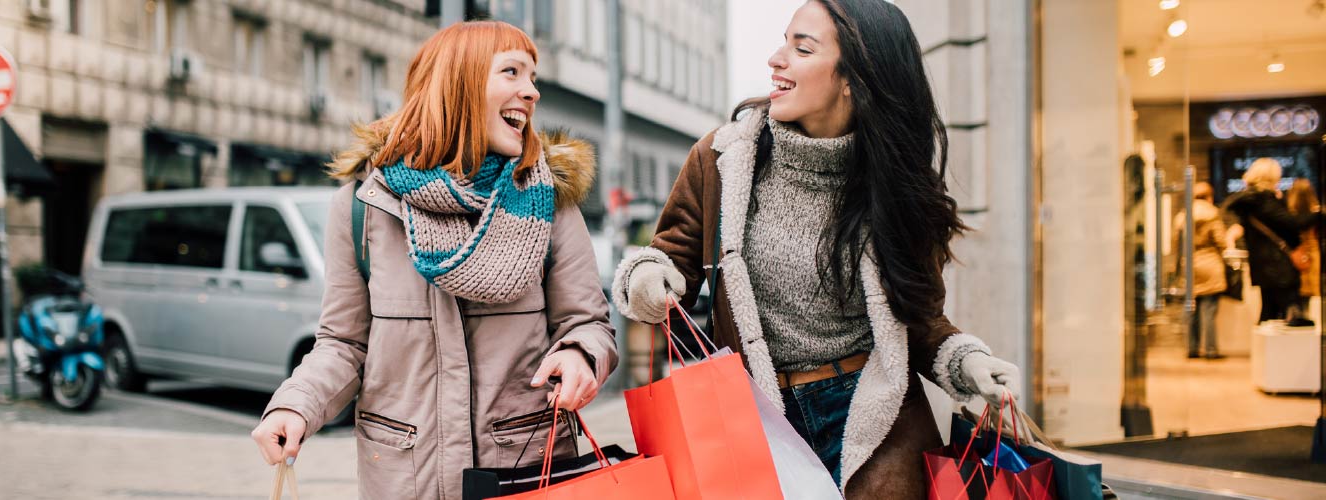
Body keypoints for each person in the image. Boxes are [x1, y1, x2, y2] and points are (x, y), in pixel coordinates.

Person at [611, 0, 1020, 496]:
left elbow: (921, 320)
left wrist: (967, 363)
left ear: (853, 79)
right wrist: (649, 279)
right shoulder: (724, 159)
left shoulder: (895, 185)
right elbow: (670, 253)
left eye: (801, 48)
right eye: (784, 41)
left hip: (874, 423)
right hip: (755, 418)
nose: (776, 59)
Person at [250, 21, 616, 499]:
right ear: (458, 85)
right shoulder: (363, 206)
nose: (531, 92)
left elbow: (588, 323)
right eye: (512, 72)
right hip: (406, 478)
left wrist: (579, 356)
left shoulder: (550, 202)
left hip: (525, 474)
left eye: (532, 78)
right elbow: (343, 343)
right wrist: (294, 406)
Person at [1224, 158, 1322, 322]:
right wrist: (1319, 214)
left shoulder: (1251, 201)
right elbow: (1292, 224)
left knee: (1269, 312)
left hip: (1266, 265)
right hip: (1278, 265)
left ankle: (1267, 348)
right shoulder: (1263, 201)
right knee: (1289, 313)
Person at [1175, 182, 1228, 359]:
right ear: (1209, 196)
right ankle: (1211, 349)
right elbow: (1221, 241)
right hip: (1210, 263)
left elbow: (1177, 244)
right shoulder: (1213, 215)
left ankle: (1192, 348)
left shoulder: (1182, 216)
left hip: (1190, 265)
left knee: (1190, 309)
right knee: (1209, 309)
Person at [1286, 179, 1320, 316]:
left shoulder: (1288, 215)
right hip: (1313, 255)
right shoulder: (1317, 214)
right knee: (1310, 298)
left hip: (1295, 256)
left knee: (1295, 298)